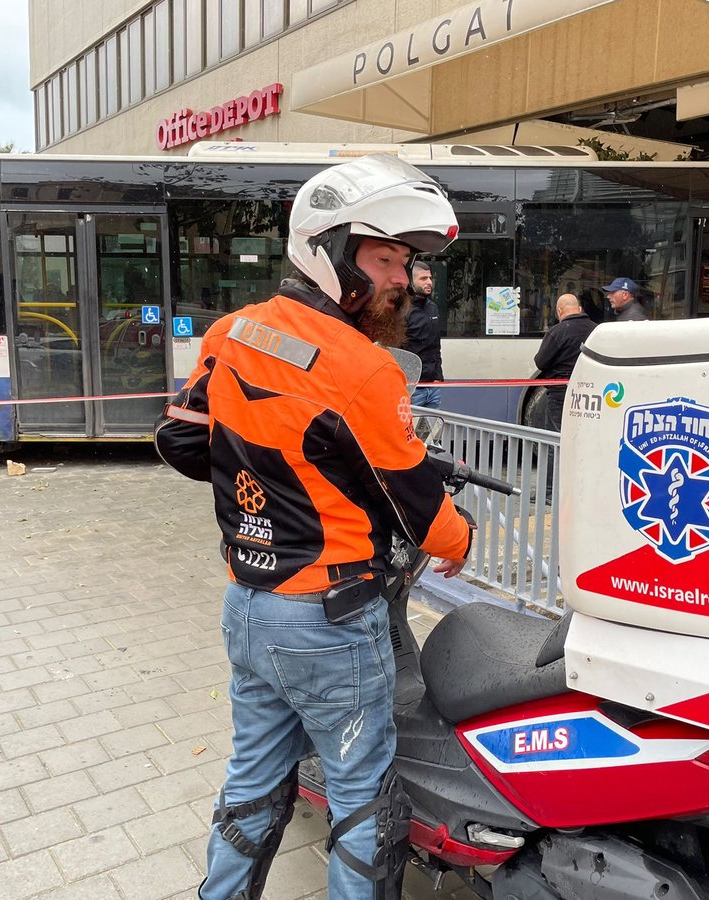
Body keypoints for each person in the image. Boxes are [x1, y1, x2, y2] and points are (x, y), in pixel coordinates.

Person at [154, 154, 474, 900]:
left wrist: (265, 485)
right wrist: (459, 541)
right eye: (384, 257)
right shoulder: (365, 368)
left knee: (253, 783)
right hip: (331, 622)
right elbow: (420, 509)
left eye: (404, 261)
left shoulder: (232, 333)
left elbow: (178, 439)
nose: (400, 276)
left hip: (249, 606)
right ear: (328, 254)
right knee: (362, 798)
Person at [533, 292, 596, 431]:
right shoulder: (595, 330)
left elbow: (541, 362)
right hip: (589, 392)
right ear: (579, 309)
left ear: (559, 311)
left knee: (556, 438)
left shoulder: (557, 332)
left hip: (560, 392)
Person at [402, 260, 443, 408]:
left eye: (430, 278)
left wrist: (438, 377)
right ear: (411, 281)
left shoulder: (433, 308)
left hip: (434, 387)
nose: (429, 282)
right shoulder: (401, 311)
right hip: (412, 388)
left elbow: (436, 346)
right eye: (423, 278)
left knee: (431, 431)